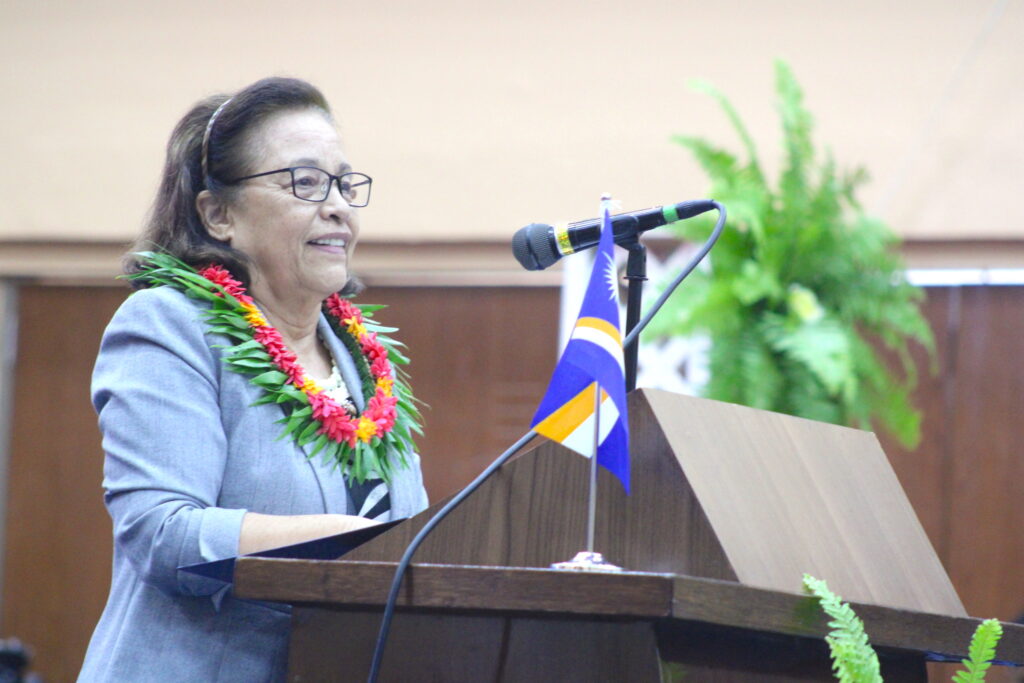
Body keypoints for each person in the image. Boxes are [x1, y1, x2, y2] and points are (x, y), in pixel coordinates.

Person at [78, 77, 429, 682]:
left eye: (344, 182)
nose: (339, 205)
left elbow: (417, 539)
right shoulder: (169, 325)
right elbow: (164, 535)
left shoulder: (362, 360)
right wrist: (358, 541)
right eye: (306, 181)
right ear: (219, 215)